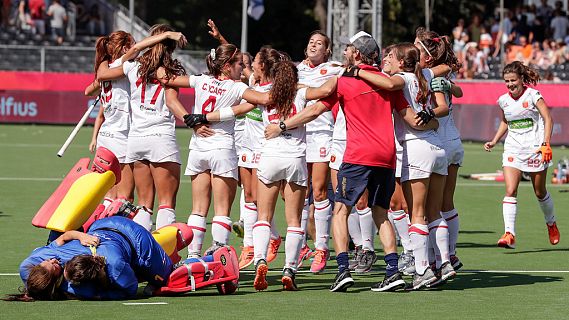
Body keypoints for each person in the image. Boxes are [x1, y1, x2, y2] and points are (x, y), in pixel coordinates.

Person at [265, 31, 433, 292]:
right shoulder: (389, 81)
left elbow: (313, 111)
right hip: (387, 156)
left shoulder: (344, 80)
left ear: (357, 54)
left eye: (349, 49)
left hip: (358, 155)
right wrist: (438, 125)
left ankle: (342, 269)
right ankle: (393, 271)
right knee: (381, 213)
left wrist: (282, 125)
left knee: (341, 210)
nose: (345, 52)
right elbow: (412, 118)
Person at [160, 43, 271, 259]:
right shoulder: (238, 87)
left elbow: (165, 78)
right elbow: (264, 99)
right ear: (227, 66)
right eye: (239, 64)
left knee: (198, 209)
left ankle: (192, 256)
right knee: (222, 210)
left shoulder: (201, 80)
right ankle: (218, 253)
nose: (243, 68)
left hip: (198, 148)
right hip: (222, 148)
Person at [96, 24, 189, 232]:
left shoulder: (133, 66)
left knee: (144, 206)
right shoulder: (172, 71)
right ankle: (165, 256)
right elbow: (173, 101)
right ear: (171, 48)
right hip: (161, 138)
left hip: (136, 140)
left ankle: (139, 250)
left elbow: (107, 72)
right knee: (166, 204)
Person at [484, 61, 559, 249]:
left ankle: (551, 223)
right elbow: (505, 121)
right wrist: (494, 140)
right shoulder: (503, 100)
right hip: (513, 150)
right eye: (506, 81)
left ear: (521, 79)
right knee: (510, 190)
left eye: (513, 80)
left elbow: (548, 118)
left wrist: (546, 144)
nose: (510, 84)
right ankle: (509, 234)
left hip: (535, 149)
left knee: (540, 192)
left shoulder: (533, 95)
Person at [17, 216, 173, 300]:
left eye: (46, 262)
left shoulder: (30, 266)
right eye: (55, 266)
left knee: (166, 278)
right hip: (100, 225)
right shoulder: (80, 287)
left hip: (136, 238)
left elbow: (130, 290)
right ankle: (104, 211)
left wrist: (81, 236)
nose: (52, 260)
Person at [414, 28, 465, 272]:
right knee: (446, 203)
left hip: (438, 140)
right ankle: (450, 255)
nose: (412, 50)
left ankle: (436, 259)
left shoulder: (427, 75)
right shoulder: (439, 71)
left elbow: (447, 98)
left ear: (428, 56)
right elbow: (458, 90)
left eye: (416, 47)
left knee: (426, 208)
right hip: (452, 139)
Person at [296, 31, 344, 273]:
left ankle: (322, 248)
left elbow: (329, 89)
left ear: (327, 50)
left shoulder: (335, 68)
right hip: (296, 136)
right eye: (310, 42)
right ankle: (301, 246)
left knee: (320, 191)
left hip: (322, 135)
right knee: (298, 194)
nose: (313, 46)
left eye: (319, 43)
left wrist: (306, 86)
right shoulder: (296, 69)